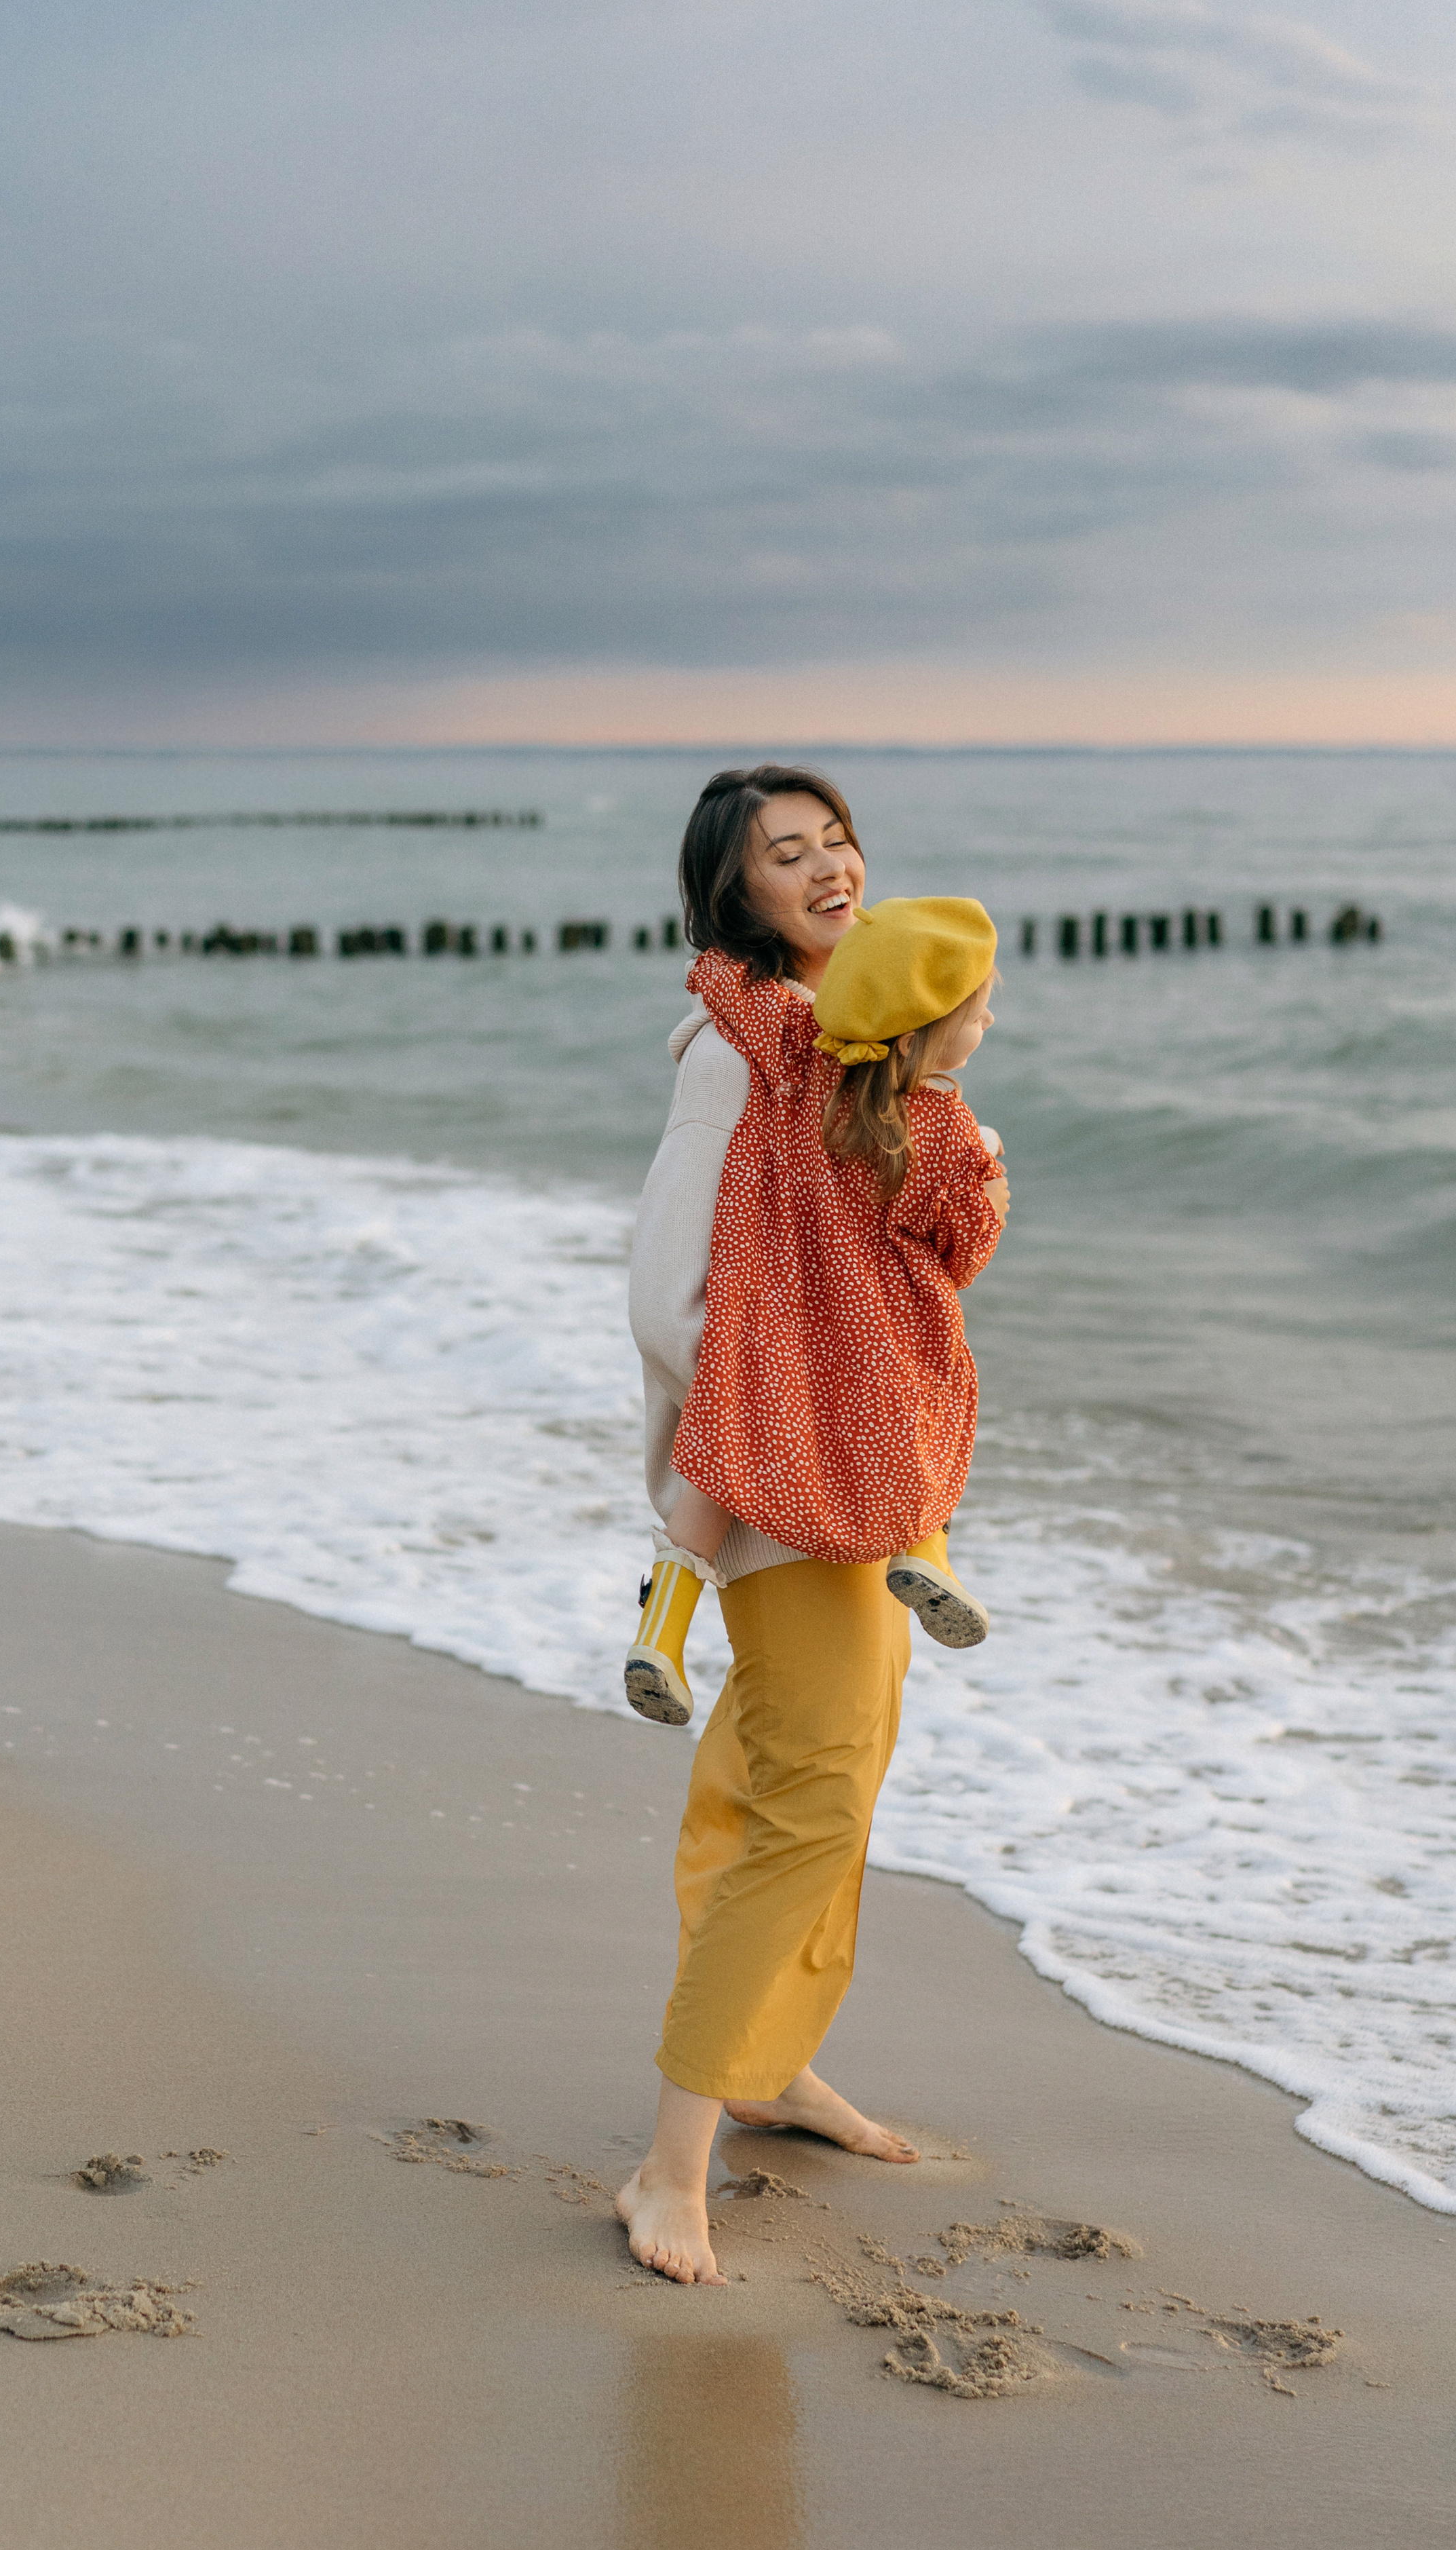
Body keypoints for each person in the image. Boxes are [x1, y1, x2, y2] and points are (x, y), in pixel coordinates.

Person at [617, 764, 1010, 2285]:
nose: (827, 867)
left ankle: (770, 2064)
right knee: (812, 1799)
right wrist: (765, 1415)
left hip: (852, 1466)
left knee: (789, 1780)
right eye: (788, 856)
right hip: (776, 1479)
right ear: (739, 896)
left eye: (834, 838)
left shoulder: (866, 1040)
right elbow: (667, 1286)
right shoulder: (733, 1055)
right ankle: (668, 2166)